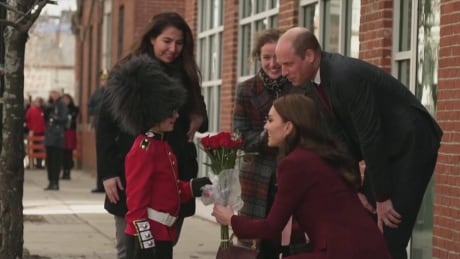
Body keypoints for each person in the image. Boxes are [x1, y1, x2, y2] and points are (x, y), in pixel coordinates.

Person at [274, 27, 443, 259]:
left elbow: (370, 135)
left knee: (389, 232)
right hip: (383, 148)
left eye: (288, 64)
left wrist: (382, 198)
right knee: (367, 229)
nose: (283, 72)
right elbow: (339, 139)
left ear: (310, 56)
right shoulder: (311, 83)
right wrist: (355, 188)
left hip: (411, 143)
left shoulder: (345, 76)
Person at [213, 94, 392, 259]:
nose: (266, 126)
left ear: (288, 127)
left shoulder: (295, 163)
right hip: (365, 247)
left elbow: (271, 227)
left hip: (343, 251)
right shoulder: (318, 154)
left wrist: (231, 219)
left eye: (270, 120)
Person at [96, 12, 208, 259]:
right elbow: (104, 125)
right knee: (129, 247)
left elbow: (199, 118)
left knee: (163, 247)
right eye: (167, 41)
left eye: (179, 43)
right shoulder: (127, 72)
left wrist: (199, 116)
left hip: (174, 173)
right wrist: (108, 172)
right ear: (152, 39)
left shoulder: (186, 73)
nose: (173, 48)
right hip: (133, 172)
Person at [232, 28, 307, 258]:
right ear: (258, 58)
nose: (273, 63)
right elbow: (241, 136)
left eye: (277, 57)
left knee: (291, 244)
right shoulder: (246, 90)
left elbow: (307, 130)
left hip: (292, 174)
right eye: (266, 57)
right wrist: (270, 134)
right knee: (257, 247)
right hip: (257, 179)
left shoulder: (298, 86)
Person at [43, 90, 68, 190]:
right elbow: (45, 118)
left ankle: (55, 182)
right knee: (49, 161)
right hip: (49, 136)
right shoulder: (50, 105)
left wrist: (54, 118)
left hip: (58, 137)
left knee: (56, 161)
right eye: (51, 94)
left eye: (55, 93)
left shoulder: (62, 105)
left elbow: (64, 118)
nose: (53, 95)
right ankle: (50, 181)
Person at [88, 70, 108, 192]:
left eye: (105, 80)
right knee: (100, 155)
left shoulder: (112, 92)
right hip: (99, 125)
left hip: (109, 127)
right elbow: (90, 106)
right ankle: (100, 184)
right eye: (102, 80)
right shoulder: (97, 94)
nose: (104, 82)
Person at [61, 94, 79, 180]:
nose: (65, 101)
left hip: (70, 131)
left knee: (69, 152)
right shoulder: (61, 108)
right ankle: (64, 171)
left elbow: (74, 117)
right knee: (63, 153)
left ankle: (68, 172)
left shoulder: (74, 108)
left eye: (67, 99)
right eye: (64, 99)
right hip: (63, 131)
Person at [25, 97, 46, 169]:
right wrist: (30, 128)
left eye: (39, 102)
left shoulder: (43, 110)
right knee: (32, 149)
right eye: (37, 102)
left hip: (41, 132)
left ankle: (39, 164)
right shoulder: (30, 110)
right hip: (33, 132)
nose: (38, 103)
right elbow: (27, 120)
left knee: (40, 148)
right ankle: (31, 164)